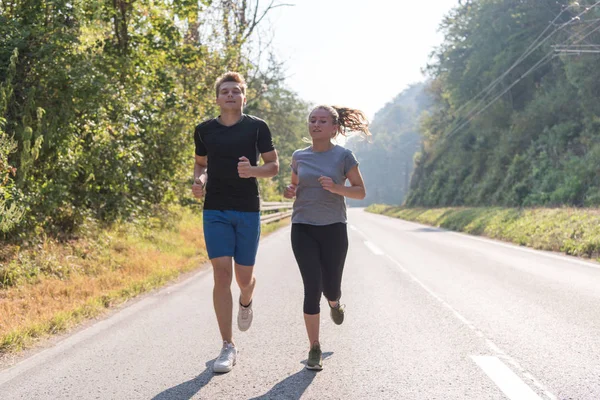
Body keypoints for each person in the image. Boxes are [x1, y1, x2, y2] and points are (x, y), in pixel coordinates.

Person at [192, 71, 279, 373]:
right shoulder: (204, 130)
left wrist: (253, 171)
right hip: (214, 208)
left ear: (244, 97)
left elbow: (273, 166)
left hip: (247, 210)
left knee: (244, 279)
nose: (230, 95)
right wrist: (198, 180)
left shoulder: (257, 128)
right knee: (220, 275)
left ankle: (246, 298)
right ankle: (228, 345)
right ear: (217, 98)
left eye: (236, 91)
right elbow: (201, 164)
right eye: (225, 91)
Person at [283, 105, 369, 370]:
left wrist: (336, 188)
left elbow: (360, 192)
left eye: (322, 121)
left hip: (333, 228)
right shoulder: (299, 156)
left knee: (330, 287)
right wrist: (290, 190)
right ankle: (314, 348)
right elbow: (295, 185)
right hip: (303, 227)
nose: (316, 124)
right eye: (312, 120)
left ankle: (334, 302)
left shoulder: (344, 156)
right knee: (311, 286)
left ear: (334, 128)